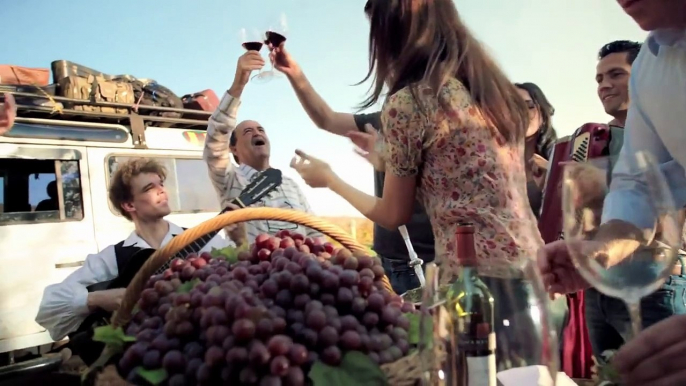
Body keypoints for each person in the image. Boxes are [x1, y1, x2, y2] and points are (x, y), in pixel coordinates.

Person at [290, 0, 544, 365]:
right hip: (533, 271)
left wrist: (329, 179)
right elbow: (465, 176)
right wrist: (385, 156)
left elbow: (393, 214)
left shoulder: (409, 104)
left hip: (477, 287)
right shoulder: (495, 93)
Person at [539, 1, 686, 384]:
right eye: (599, 78)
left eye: (615, 74)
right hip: (615, 287)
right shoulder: (652, 72)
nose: (605, 84)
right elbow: (638, 185)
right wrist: (601, 251)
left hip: (662, 276)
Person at [269, 42, 435, 295]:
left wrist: (330, 179)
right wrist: (294, 72)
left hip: (427, 262)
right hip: (387, 257)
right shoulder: (384, 118)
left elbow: (394, 213)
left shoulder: (426, 119)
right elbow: (327, 118)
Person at [35, 158, 230, 341]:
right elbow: (48, 309)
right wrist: (101, 298)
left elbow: (240, 280)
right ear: (129, 205)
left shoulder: (202, 240)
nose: (162, 191)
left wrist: (239, 239)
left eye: (160, 184)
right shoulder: (113, 257)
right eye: (149, 188)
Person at [203, 52, 322, 244]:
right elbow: (216, 139)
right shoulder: (230, 180)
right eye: (248, 131)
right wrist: (239, 83)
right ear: (233, 148)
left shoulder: (290, 184)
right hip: (257, 272)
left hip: (301, 270)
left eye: (261, 129)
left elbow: (316, 232)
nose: (257, 133)